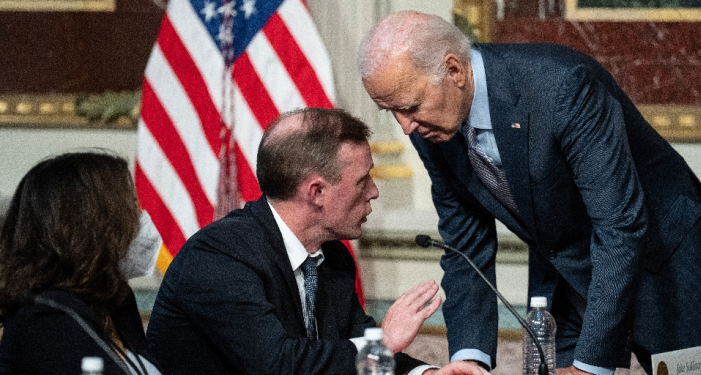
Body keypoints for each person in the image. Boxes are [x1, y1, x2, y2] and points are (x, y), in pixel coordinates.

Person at [357, 11, 701, 375]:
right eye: (389, 111)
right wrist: (469, 359)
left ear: (454, 70)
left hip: (663, 260)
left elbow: (620, 227)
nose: (405, 127)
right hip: (565, 272)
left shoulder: (562, 86)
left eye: (409, 107)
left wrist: (590, 366)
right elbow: (465, 245)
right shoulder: (431, 124)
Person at [145, 107, 490, 375]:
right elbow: (276, 365)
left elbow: (353, 355)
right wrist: (383, 342)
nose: (374, 192)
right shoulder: (219, 257)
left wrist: (427, 371)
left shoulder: (331, 256)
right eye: (362, 180)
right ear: (317, 192)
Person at [0, 151, 163, 375]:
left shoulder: (117, 303)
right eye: (131, 204)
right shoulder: (46, 319)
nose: (141, 214)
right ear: (94, 225)